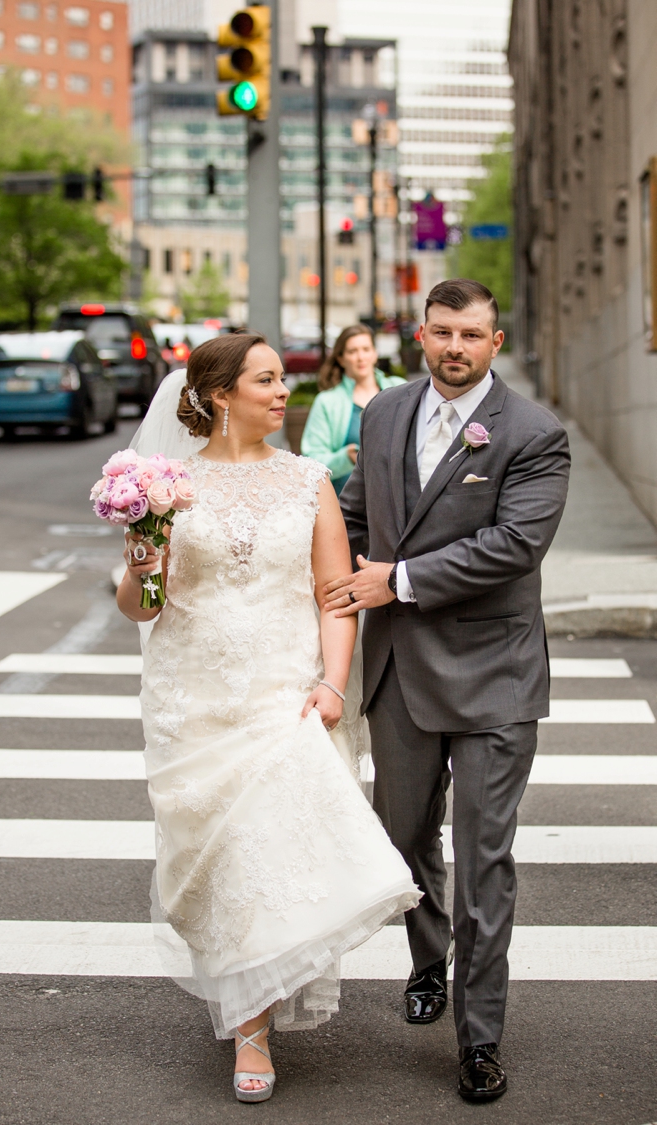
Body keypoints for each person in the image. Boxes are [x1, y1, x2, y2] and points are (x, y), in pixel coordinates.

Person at [120, 334, 421, 1104]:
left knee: (268, 844)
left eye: (282, 379)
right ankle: (250, 997)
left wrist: (333, 681)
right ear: (221, 395)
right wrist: (143, 565)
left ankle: (251, 1024)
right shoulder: (166, 484)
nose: (282, 390)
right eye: (265, 380)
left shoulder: (309, 480)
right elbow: (142, 607)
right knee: (220, 860)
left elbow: (334, 592)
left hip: (285, 689)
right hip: (194, 694)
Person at [327, 278, 570, 1103]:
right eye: (441, 332)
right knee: (402, 839)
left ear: (495, 341)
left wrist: (395, 579)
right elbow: (357, 521)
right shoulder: (385, 412)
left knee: (485, 857)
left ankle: (480, 1033)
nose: (455, 347)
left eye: (471, 334)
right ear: (420, 337)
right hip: (400, 672)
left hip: (494, 674)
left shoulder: (535, 433)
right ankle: (428, 957)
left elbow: (513, 545)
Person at [300, 324, 405, 493]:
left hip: (395, 498)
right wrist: (344, 458)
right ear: (341, 359)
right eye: (352, 351)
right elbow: (312, 460)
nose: (360, 357)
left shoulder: (400, 389)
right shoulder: (327, 402)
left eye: (366, 349)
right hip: (347, 503)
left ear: (375, 353)